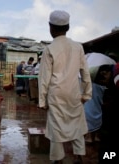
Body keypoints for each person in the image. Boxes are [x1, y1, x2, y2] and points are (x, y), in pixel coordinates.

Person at [38, 10, 92, 163]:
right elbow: (85, 73)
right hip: (74, 92)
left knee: (56, 126)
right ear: (67, 27)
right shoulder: (78, 47)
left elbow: (44, 78)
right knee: (76, 123)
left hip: (56, 94)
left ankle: (58, 160)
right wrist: (87, 94)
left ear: (51, 27)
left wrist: (42, 101)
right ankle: (79, 156)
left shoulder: (49, 49)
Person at [89, 63, 119, 163]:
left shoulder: (117, 77)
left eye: (102, 81)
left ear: (104, 73)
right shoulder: (114, 76)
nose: (104, 84)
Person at [84, 52, 116, 144]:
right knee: (97, 108)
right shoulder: (110, 63)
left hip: (89, 81)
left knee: (90, 108)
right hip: (96, 82)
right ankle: (96, 135)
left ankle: (90, 136)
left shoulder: (89, 57)